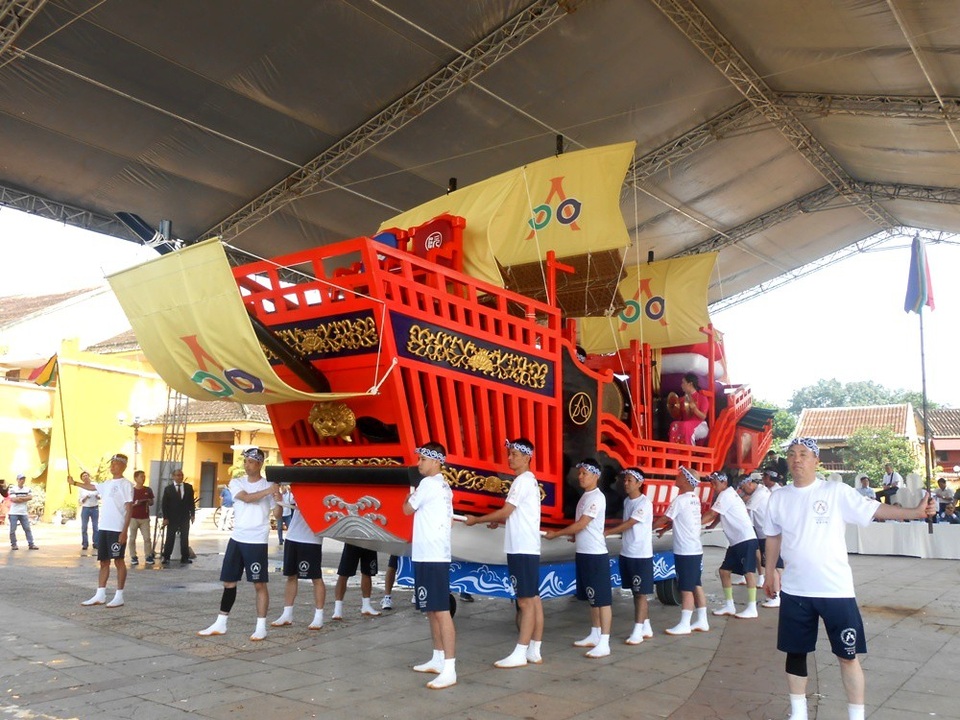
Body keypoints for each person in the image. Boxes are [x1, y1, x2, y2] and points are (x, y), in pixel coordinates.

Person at [763, 438, 935, 720]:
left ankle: (856, 716)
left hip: (835, 591)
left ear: (816, 461)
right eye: (792, 454)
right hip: (795, 590)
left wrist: (914, 512)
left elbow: (874, 510)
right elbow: (773, 537)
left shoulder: (835, 491)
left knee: (847, 655)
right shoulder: (779, 497)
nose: (797, 459)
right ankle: (798, 713)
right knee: (795, 654)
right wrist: (769, 573)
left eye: (804, 454)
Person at [464, 438, 544, 667]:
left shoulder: (522, 481)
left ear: (527, 457)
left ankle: (520, 652)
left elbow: (507, 510)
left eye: (515, 455)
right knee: (534, 599)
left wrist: (477, 520)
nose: (510, 458)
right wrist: (499, 522)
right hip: (526, 547)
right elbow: (514, 515)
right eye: (509, 454)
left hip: (522, 548)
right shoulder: (528, 481)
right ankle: (534, 649)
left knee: (526, 602)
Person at [198, 447, 281, 641]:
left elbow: (277, 515)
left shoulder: (269, 485)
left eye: (251, 462)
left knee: (259, 583)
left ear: (259, 464)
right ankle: (221, 622)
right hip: (237, 538)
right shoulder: (237, 482)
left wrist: (278, 499)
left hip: (257, 540)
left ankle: (261, 626)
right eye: (245, 461)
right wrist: (270, 490)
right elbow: (246, 498)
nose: (246, 465)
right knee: (229, 582)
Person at [545, 458, 612, 658]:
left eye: (584, 473)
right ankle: (595, 633)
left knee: (602, 599)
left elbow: (582, 523)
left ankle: (605, 641)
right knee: (592, 596)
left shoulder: (596, 498)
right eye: (580, 473)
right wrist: (575, 535)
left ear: (596, 476)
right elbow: (585, 526)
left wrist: (557, 534)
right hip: (583, 552)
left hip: (595, 554)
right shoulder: (585, 497)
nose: (580, 476)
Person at [403, 441, 456, 690]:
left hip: (432, 555)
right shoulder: (444, 486)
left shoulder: (428, 485)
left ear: (436, 461)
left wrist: (408, 496)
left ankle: (450, 667)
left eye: (422, 459)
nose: (418, 463)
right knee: (432, 609)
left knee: (441, 611)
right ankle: (437, 658)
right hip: (430, 554)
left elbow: (406, 509)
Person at [69, 454, 134, 606]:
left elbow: (129, 508)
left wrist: (124, 531)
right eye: (111, 464)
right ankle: (100, 594)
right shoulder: (107, 483)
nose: (112, 467)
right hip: (104, 527)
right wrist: (75, 483)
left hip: (117, 528)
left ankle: (119, 595)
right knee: (104, 561)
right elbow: (92, 486)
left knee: (118, 560)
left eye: (116, 464)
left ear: (123, 466)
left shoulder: (126, 484)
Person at [653, 466, 709, 636]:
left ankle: (685, 623)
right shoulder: (693, 498)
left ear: (685, 480)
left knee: (685, 587)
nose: (676, 477)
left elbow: (665, 517)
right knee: (695, 584)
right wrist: (666, 528)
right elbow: (679, 519)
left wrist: (646, 527)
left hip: (685, 550)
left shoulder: (681, 499)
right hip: (694, 549)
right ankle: (702, 620)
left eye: (679, 475)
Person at [604, 467, 654, 644]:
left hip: (640, 555)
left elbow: (630, 523)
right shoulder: (627, 501)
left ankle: (638, 631)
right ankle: (646, 626)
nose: (625, 483)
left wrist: (607, 532)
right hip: (627, 553)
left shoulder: (644, 503)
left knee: (640, 594)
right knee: (635, 592)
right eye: (624, 480)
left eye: (629, 481)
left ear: (640, 483)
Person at [701, 472, 759, 619]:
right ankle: (729, 605)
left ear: (724, 482)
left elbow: (713, 513)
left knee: (748, 572)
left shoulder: (726, 495)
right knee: (724, 571)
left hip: (745, 539)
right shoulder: (727, 494)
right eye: (711, 483)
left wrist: (694, 524)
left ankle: (752, 607)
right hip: (736, 541)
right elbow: (719, 514)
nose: (713, 486)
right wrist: (711, 526)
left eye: (715, 483)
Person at [270, 489, 326, 630]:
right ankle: (287, 614)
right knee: (291, 576)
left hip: (311, 538)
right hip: (292, 536)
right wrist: (280, 498)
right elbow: (285, 508)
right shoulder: (297, 489)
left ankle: (319, 616)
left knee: (316, 578)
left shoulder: (322, 490)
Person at [740, 472, 781, 608]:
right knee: (773, 566)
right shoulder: (760, 491)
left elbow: (744, 509)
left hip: (767, 535)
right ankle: (776, 594)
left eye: (743, 488)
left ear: (749, 483)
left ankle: (776, 596)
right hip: (766, 533)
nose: (743, 492)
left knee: (772, 566)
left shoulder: (759, 494)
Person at [332, 543, 382, 618]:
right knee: (344, 573)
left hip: (370, 541)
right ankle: (337, 609)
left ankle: (366, 605)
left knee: (367, 572)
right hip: (353, 540)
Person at [160, 469, 195, 566]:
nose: (180, 477)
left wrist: (192, 514)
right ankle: (166, 557)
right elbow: (164, 504)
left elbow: (191, 502)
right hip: (172, 517)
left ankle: (185, 557)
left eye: (181, 475)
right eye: (178, 475)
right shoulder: (168, 489)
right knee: (170, 537)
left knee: (184, 537)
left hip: (184, 517)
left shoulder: (188, 487)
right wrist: (165, 518)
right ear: (173, 477)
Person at [669, 373, 709, 446]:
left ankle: (689, 452)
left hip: (700, 425)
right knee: (674, 425)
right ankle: (674, 452)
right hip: (686, 424)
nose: (681, 385)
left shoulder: (702, 398)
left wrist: (695, 409)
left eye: (683, 382)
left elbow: (703, 416)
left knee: (685, 426)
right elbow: (679, 417)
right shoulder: (681, 400)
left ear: (690, 384)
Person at [127, 470, 154, 565]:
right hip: (133, 517)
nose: (143, 478)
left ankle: (148, 555)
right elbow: (128, 505)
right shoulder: (131, 491)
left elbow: (152, 502)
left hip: (145, 517)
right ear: (135, 478)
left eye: (144, 476)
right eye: (141, 476)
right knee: (132, 538)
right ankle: (133, 556)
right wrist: (136, 503)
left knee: (147, 538)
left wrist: (148, 501)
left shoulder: (148, 490)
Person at [8, 474, 39, 550]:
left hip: (23, 512)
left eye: (23, 479)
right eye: (20, 479)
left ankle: (31, 544)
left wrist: (19, 498)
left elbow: (30, 497)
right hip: (14, 513)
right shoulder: (13, 489)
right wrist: (25, 498)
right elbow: (14, 499)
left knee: (27, 528)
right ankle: (14, 544)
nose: (22, 480)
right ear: (17, 480)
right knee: (13, 529)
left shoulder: (27, 489)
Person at [77, 472, 100, 552]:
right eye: (83, 476)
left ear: (89, 476)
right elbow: (80, 500)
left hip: (95, 508)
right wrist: (85, 498)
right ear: (82, 478)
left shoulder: (95, 485)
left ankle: (96, 543)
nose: (85, 477)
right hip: (85, 508)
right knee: (84, 527)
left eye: (87, 475)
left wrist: (98, 496)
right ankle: (85, 544)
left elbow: (100, 495)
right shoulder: (81, 487)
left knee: (95, 527)